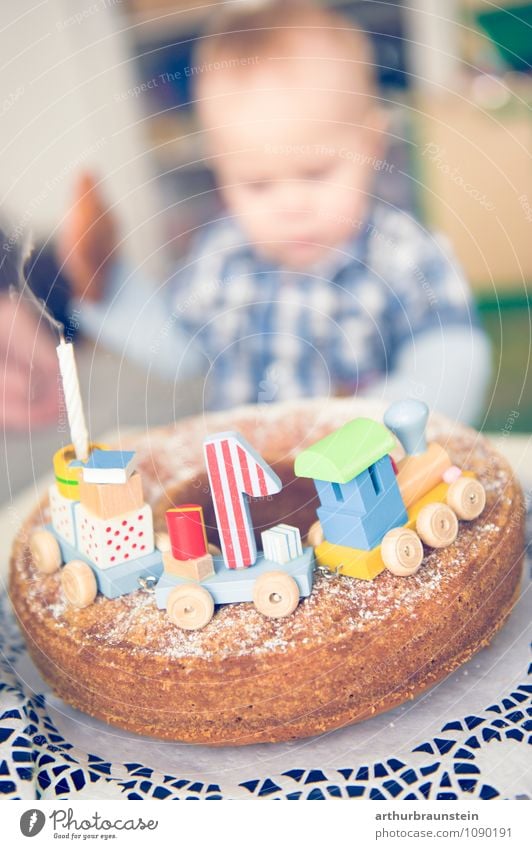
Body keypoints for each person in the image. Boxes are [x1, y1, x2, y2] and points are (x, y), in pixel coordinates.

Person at [60, 0, 491, 423]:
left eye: (316, 172)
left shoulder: (404, 254)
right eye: (258, 184)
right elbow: (182, 349)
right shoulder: (221, 255)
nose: (292, 204)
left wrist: (386, 422)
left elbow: (452, 355)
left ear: (372, 145)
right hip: (250, 479)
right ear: (220, 170)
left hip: (370, 472)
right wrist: (108, 287)